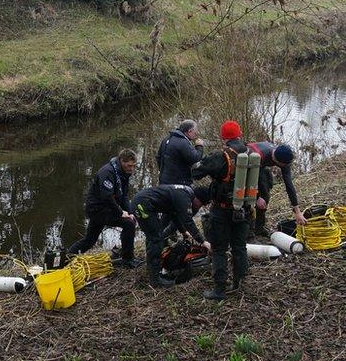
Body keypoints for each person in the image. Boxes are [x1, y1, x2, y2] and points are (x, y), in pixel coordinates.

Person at [192, 120, 250, 300]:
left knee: (219, 249)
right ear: (239, 135)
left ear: (223, 137)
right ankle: (239, 282)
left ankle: (219, 289)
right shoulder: (250, 152)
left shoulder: (220, 155)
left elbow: (196, 173)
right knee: (239, 246)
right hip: (245, 208)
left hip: (222, 210)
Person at [68, 149, 141, 268]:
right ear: (122, 161)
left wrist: (130, 212)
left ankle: (66, 258)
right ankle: (127, 259)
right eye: (129, 166)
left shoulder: (123, 173)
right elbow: (107, 197)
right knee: (129, 224)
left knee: (90, 240)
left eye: (133, 166)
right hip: (98, 210)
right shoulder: (107, 172)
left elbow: (123, 196)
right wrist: (120, 213)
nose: (131, 169)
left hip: (105, 208)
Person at [130, 184, 209, 288]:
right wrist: (202, 241)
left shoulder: (185, 194)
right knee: (156, 238)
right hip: (143, 205)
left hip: (144, 203)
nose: (199, 207)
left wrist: (183, 231)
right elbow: (188, 221)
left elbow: (175, 215)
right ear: (197, 198)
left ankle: (152, 270)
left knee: (154, 237)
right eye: (201, 204)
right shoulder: (184, 198)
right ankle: (155, 280)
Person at [245, 141, 307, 236]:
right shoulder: (258, 156)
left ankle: (259, 229)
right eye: (283, 165)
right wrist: (256, 197)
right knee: (247, 199)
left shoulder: (284, 158)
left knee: (265, 194)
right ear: (277, 161)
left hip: (262, 167)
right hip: (247, 167)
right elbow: (247, 178)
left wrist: (297, 211)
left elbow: (289, 184)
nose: (286, 167)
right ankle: (246, 229)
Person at [157, 119, 204, 185]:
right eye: (195, 133)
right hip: (178, 183)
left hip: (163, 181)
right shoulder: (183, 142)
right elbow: (195, 158)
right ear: (189, 131)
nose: (196, 135)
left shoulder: (166, 139)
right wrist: (199, 146)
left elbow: (158, 158)